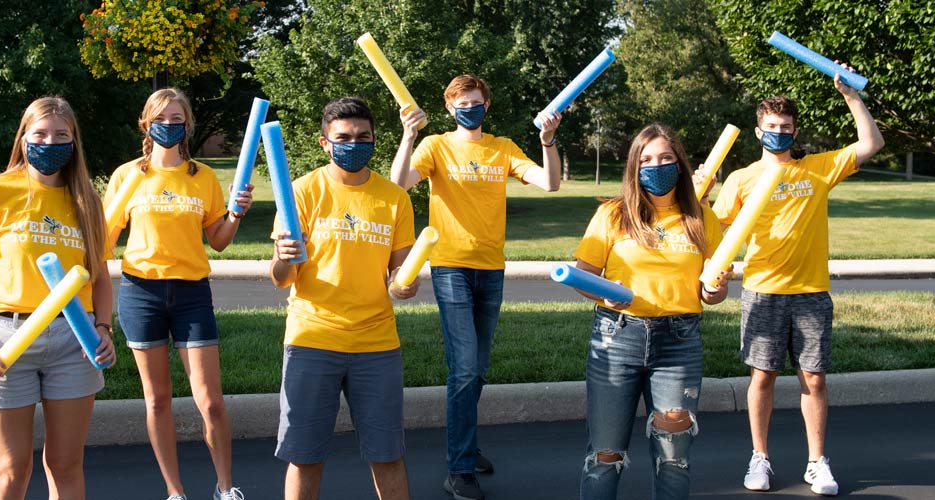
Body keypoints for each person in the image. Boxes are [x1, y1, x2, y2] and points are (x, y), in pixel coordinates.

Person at [711, 65, 884, 496]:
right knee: (762, 378)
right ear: (758, 131)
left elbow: (872, 143)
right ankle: (760, 459)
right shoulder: (740, 179)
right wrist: (718, 275)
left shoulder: (818, 169)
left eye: (786, 126)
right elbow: (718, 237)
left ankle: (817, 462)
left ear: (795, 130)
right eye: (771, 126)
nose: (779, 132)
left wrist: (849, 95)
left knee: (815, 379)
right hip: (762, 293)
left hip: (810, 294)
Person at [389, 74, 563, 500]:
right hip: (450, 267)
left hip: (492, 268)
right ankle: (459, 467)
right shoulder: (436, 146)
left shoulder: (502, 148)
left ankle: (466, 441)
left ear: (487, 105)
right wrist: (409, 135)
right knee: (464, 366)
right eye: (460, 102)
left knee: (479, 367)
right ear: (449, 108)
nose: (468, 107)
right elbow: (397, 185)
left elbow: (551, 182)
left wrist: (548, 140)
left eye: (475, 101)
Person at [0, 96, 116, 499]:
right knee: (11, 471)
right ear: (23, 137)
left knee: (65, 464)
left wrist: (103, 328)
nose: (50, 142)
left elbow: (100, 278)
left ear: (74, 142)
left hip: (73, 342)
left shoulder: (88, 202)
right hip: (6, 339)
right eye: (40, 133)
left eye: (61, 135)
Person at [270, 96, 418, 500]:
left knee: (388, 454)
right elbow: (281, 279)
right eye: (344, 137)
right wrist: (284, 258)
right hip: (312, 339)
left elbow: (401, 278)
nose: (354, 144)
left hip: (377, 343)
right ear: (324, 142)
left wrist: (404, 286)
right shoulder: (300, 192)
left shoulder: (394, 198)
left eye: (363, 137)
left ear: (374, 140)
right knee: (304, 456)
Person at [105, 88, 250, 500]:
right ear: (146, 122)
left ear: (188, 125)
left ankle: (226, 488)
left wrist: (236, 214)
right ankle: (175, 492)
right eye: (161, 117)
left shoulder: (202, 177)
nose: (169, 125)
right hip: (140, 293)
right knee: (158, 401)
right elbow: (105, 241)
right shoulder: (128, 175)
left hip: (191, 294)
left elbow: (218, 241)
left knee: (212, 402)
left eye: (177, 118)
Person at [571, 123, 727, 499]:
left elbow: (712, 294)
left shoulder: (702, 219)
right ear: (634, 167)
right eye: (646, 160)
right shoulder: (613, 214)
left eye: (665, 158)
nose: (656, 166)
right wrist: (604, 296)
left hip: (679, 344)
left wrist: (716, 289)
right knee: (605, 455)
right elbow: (581, 277)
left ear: (680, 164)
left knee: (674, 459)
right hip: (616, 339)